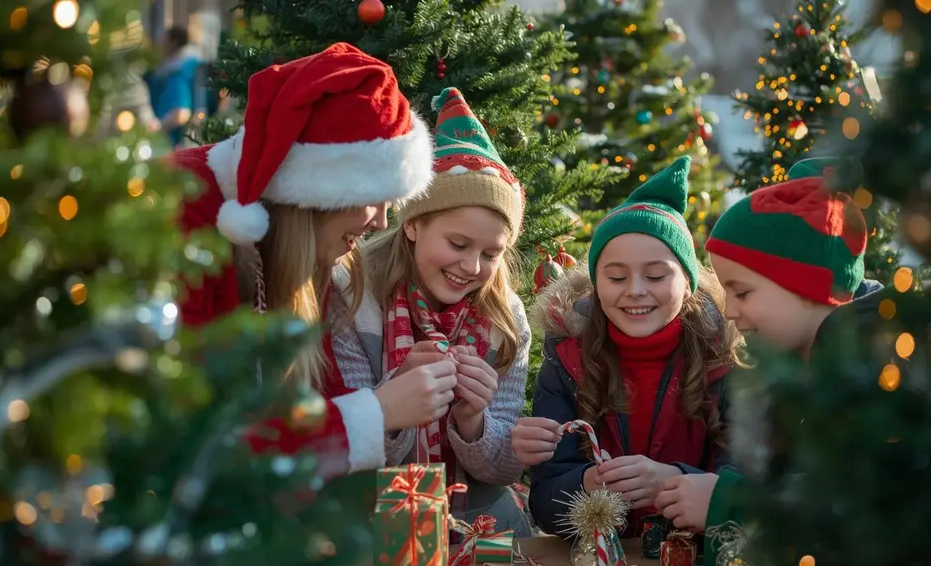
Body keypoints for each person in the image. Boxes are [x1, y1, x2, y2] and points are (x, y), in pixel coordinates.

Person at [173, 43, 456, 481]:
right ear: (321, 191)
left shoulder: (299, 247)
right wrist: (378, 409)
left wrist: (390, 398)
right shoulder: (183, 219)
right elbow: (193, 439)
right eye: (373, 198)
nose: (381, 220)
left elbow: (316, 398)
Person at [328, 88, 531, 533]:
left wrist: (473, 420)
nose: (471, 267)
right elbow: (343, 449)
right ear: (414, 224)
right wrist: (393, 399)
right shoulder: (354, 297)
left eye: (491, 253)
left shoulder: (504, 319)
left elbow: (503, 471)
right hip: (374, 523)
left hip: (479, 523)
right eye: (458, 244)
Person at [654, 157, 885, 543]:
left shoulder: (871, 369)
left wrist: (729, 503)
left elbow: (861, 502)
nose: (729, 311)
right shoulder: (792, 369)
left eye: (742, 292)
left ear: (807, 285)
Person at [517, 156, 745, 538]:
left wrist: (674, 481)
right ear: (596, 284)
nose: (635, 289)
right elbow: (544, 506)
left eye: (656, 275)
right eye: (616, 276)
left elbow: (750, 486)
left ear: (687, 282)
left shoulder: (727, 356)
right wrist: (587, 484)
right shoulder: (568, 356)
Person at [147, 26, 202, 148]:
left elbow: (181, 113)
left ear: (174, 42)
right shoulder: (190, 66)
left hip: (173, 143)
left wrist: (157, 128)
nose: (160, 44)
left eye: (164, 40)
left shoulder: (178, 71)